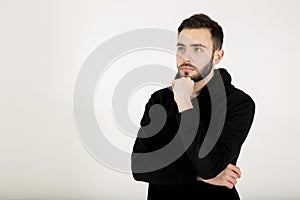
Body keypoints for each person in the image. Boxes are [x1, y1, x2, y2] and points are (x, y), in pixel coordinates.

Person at [131, 13, 255, 199]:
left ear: (217, 56)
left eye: (198, 50)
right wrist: (198, 175)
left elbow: (209, 165)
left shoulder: (239, 104)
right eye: (181, 48)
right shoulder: (160, 99)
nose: (186, 57)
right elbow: (139, 167)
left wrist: (184, 103)